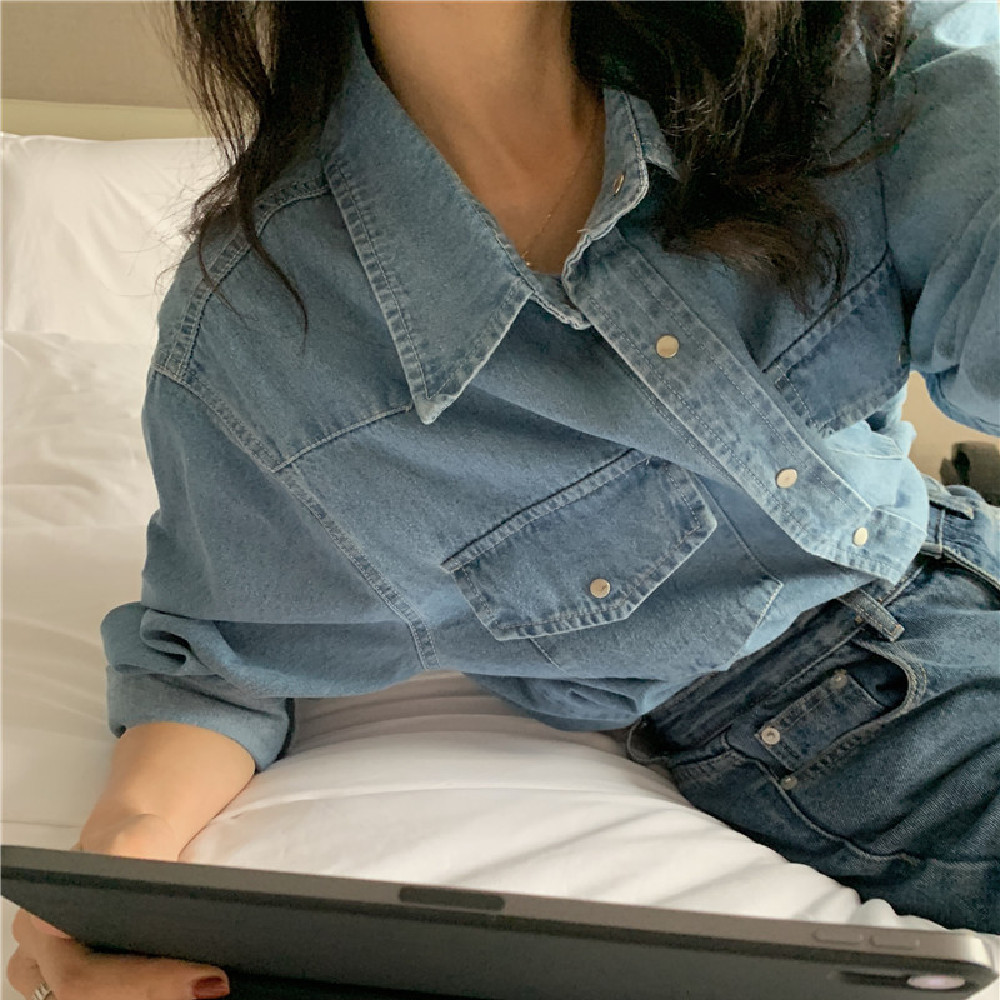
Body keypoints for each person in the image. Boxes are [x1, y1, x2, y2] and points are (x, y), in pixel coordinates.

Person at [7, 1, 999, 997]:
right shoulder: (270, 336)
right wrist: (113, 885)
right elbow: (218, 661)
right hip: (831, 715)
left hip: (959, 546)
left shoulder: (824, 70)